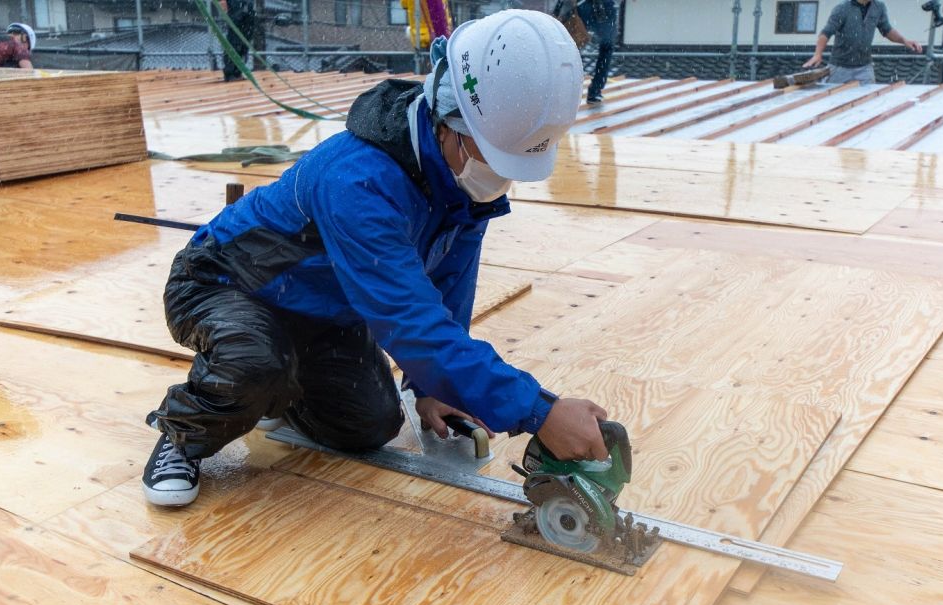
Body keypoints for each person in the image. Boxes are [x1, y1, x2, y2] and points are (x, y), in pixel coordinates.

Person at [142, 9, 608, 507]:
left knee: (369, 425)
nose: (499, 173)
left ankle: (271, 388)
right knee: (255, 363)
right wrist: (539, 411)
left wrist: (427, 386)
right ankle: (183, 433)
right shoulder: (359, 180)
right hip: (226, 284)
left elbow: (448, 283)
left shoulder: (460, 177)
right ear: (449, 121)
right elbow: (408, 322)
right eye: (493, 153)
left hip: (323, 308)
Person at [803, 0, 922, 85]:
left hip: (864, 67)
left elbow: (887, 30)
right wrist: (818, 54)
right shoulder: (842, 8)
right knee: (833, 102)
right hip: (840, 67)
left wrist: (905, 41)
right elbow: (826, 33)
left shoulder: (878, 7)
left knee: (868, 102)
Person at [576, 0, 618, 104]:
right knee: (606, 46)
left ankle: (567, 88)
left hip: (581, 6)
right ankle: (595, 90)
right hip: (601, 7)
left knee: (572, 44)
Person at [220, 0, 257, 82]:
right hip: (238, 15)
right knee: (235, 44)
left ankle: (237, 72)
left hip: (246, 15)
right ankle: (231, 73)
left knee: (244, 45)